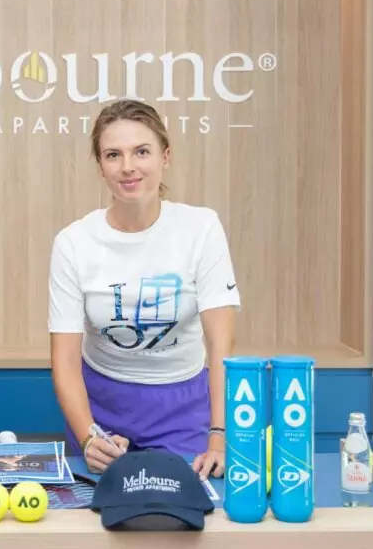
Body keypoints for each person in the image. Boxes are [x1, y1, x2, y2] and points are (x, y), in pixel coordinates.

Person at [48, 99, 240, 479]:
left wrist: (218, 436)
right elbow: (65, 360)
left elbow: (221, 346)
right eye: (113, 155)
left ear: (165, 156)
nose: (128, 166)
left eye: (142, 151)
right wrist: (89, 438)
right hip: (99, 405)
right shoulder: (73, 242)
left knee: (179, 521)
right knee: (98, 522)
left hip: (183, 404)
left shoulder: (201, 228)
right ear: (101, 166)